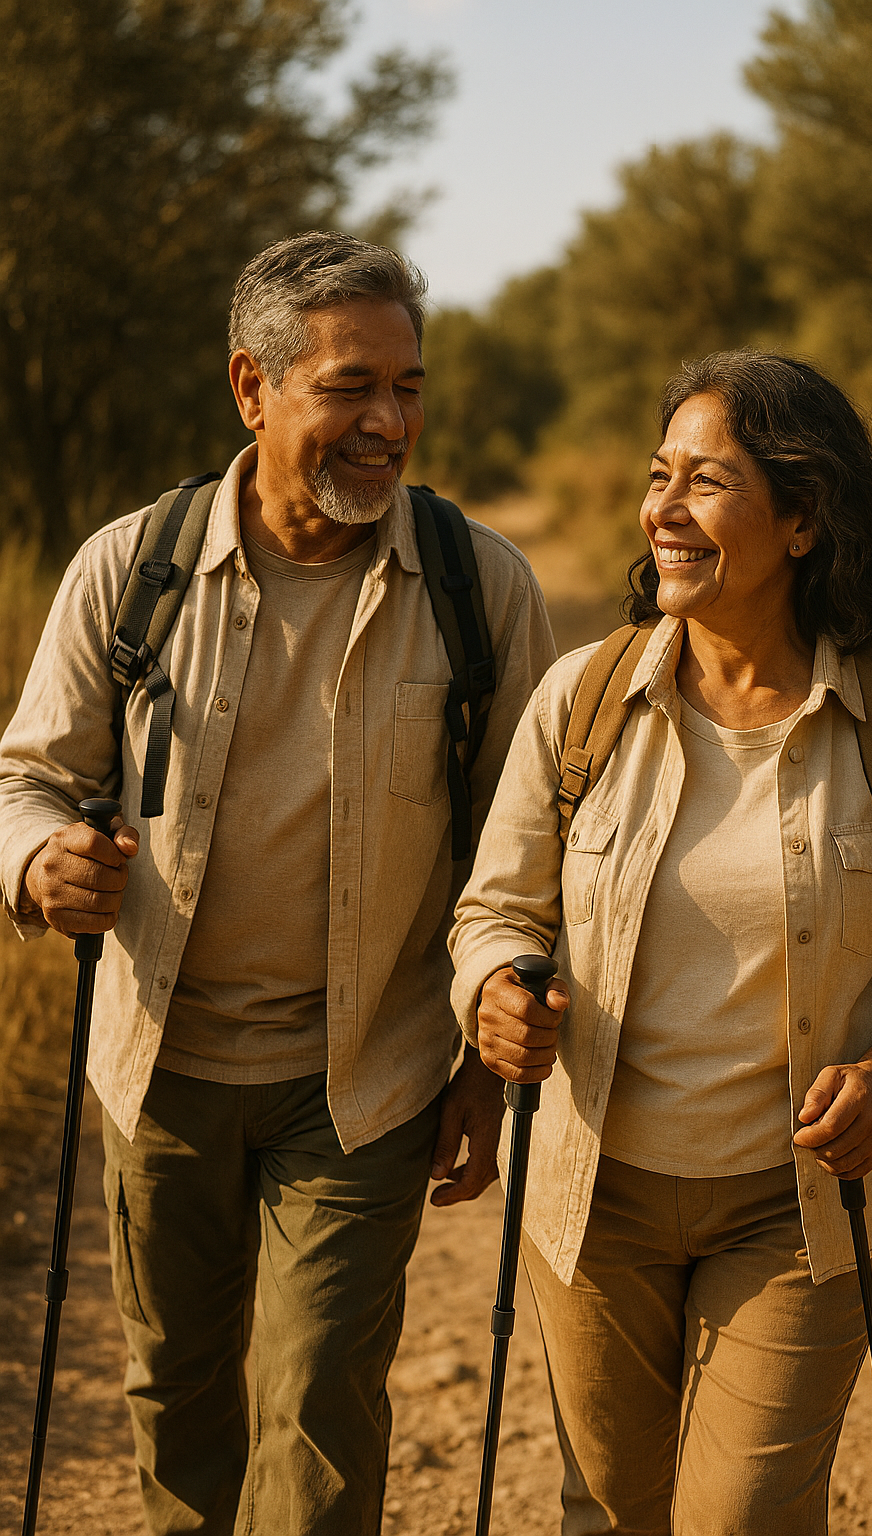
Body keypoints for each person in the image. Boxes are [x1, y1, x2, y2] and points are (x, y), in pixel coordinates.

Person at [0, 231, 555, 1535]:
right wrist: (39, 860)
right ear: (252, 387)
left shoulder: (481, 589)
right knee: (176, 1398)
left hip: (361, 1082)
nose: (388, 422)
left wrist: (485, 1064)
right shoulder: (128, 575)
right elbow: (23, 779)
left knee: (317, 1408)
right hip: (162, 1068)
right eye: (352, 386)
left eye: (408, 388)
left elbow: (528, 854)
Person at [449, 350, 872, 1536]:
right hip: (591, 1193)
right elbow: (494, 910)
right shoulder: (582, 701)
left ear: (803, 520)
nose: (661, 509)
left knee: (744, 1517)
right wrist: (495, 988)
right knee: (611, 1510)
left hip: (801, 1204)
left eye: (705, 482)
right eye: (659, 477)